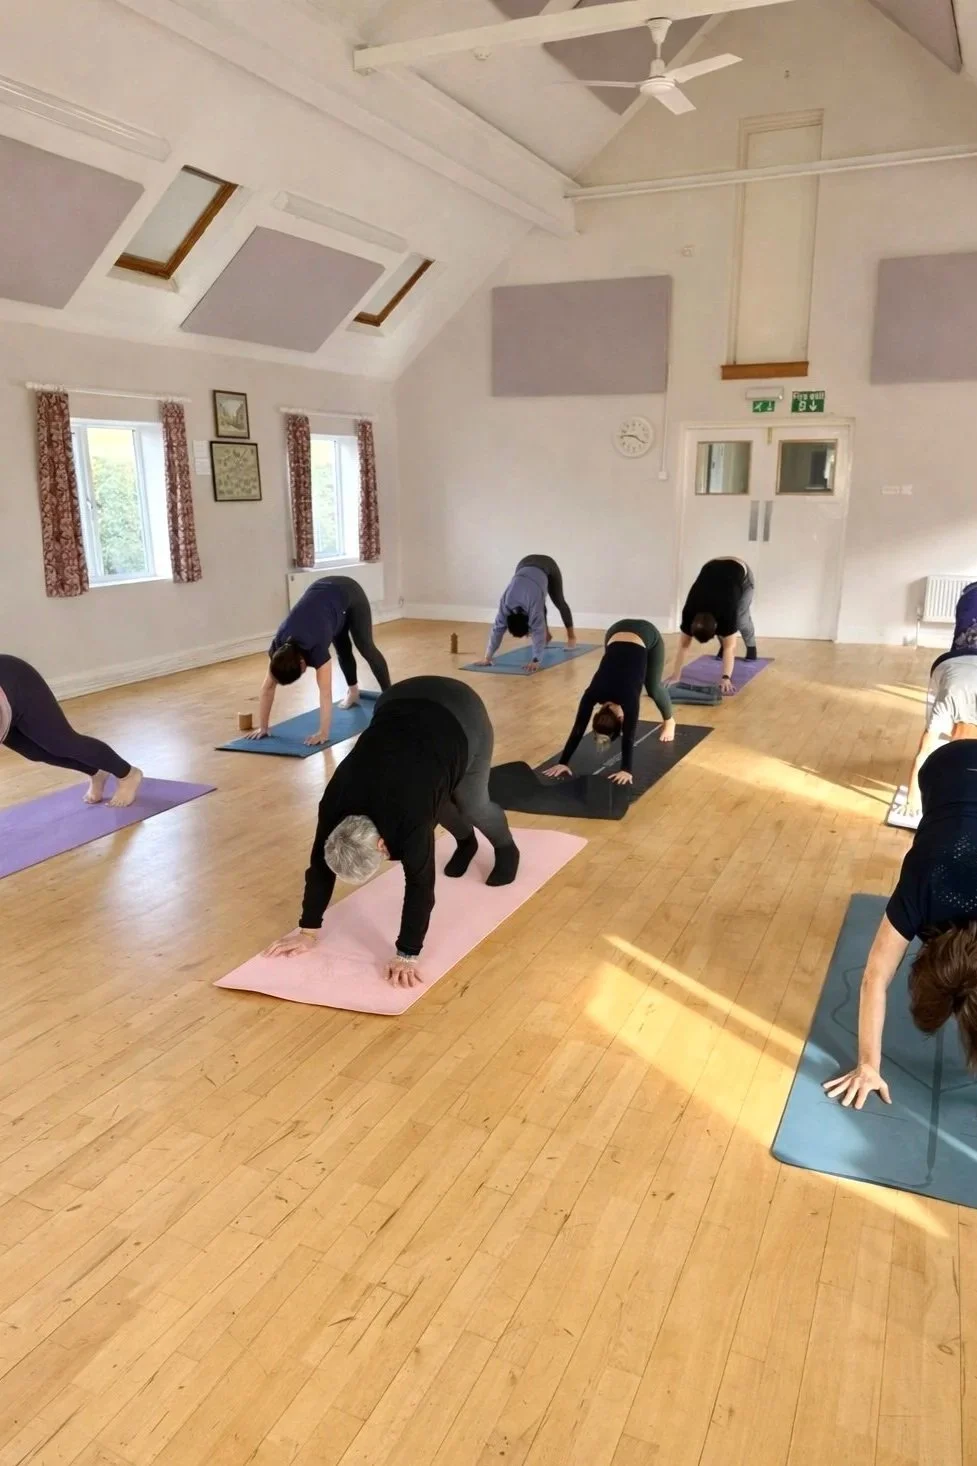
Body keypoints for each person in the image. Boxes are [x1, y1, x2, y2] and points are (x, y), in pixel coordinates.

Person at [263, 676, 520, 987]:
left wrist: (407, 954)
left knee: (471, 803)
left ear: (383, 844)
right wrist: (307, 931)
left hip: (461, 711)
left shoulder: (410, 819)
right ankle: (466, 843)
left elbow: (420, 886)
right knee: (435, 793)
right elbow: (319, 867)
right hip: (399, 703)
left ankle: (507, 848)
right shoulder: (333, 806)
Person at [823, 730, 977, 1109]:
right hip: (944, 767)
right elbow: (873, 978)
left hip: (949, 761)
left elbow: (876, 977)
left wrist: (868, 1066)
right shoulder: (924, 884)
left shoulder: (921, 890)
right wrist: (866, 1064)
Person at [250, 576, 391, 746]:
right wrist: (263, 727)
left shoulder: (316, 647)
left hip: (350, 593)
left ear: (303, 664)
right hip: (326, 607)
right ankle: (353, 693)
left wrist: (323, 733)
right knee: (341, 647)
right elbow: (267, 688)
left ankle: (390, 698)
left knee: (365, 647)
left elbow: (325, 692)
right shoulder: (278, 648)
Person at [543, 619, 676, 787]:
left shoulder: (627, 698)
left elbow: (629, 734)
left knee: (653, 688)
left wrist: (626, 769)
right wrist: (563, 762)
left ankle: (669, 721)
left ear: (620, 719)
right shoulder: (592, 694)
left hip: (646, 633)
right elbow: (578, 728)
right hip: (614, 631)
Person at [0, 654, 142, 807]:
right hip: (5, 702)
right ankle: (96, 771)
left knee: (62, 743)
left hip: (16, 681)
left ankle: (128, 774)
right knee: (34, 752)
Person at [905, 583, 977, 816]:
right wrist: (912, 800)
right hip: (956, 658)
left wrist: (913, 800)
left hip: (960, 653)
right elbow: (923, 754)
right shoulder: (945, 708)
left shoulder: (945, 710)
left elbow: (923, 754)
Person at [669, 557, 757, 697]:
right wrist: (675, 676)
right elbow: (683, 645)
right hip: (713, 565)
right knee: (728, 634)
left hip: (742, 573)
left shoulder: (727, 612)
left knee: (741, 619)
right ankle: (723, 642)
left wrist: (726, 678)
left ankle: (752, 647)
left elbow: (731, 647)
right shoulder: (689, 612)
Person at [475, 554, 576, 675]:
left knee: (559, 601)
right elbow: (497, 630)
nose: (530, 634)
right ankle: (547, 635)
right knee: (538, 604)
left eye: (529, 633)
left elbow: (537, 630)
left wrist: (536, 660)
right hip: (524, 565)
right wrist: (488, 657)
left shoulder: (533, 605)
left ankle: (571, 636)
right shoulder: (505, 606)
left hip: (547, 565)